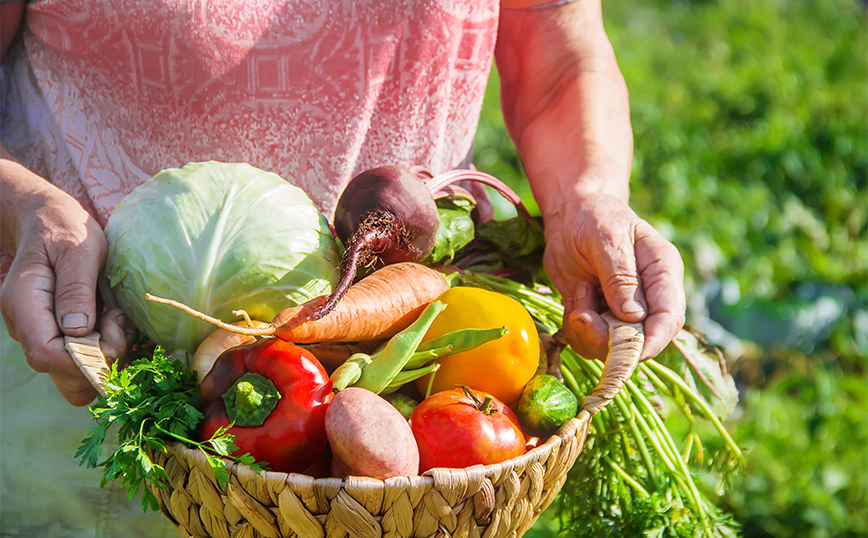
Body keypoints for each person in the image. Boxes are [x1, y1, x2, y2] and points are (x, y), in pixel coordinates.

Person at [0, 0, 686, 536]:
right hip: (84, 363)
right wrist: (25, 208)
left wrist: (586, 196)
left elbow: (558, 66)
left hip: (399, 433)